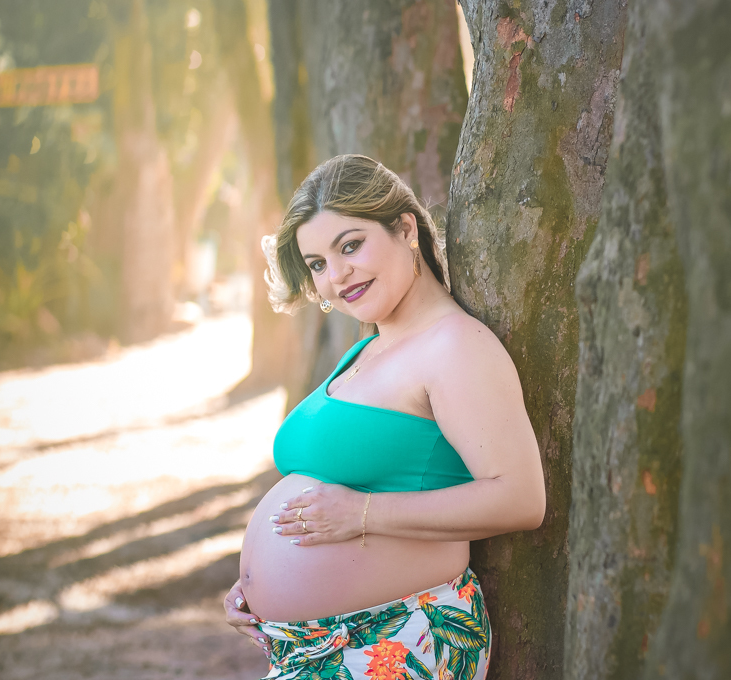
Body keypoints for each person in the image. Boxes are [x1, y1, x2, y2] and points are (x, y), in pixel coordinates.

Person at [224, 154, 546, 680]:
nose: (336, 275)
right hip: (315, 644)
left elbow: (521, 498)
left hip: (400, 633)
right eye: (318, 264)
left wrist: (363, 514)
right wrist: (257, 585)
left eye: (350, 246)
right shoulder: (369, 347)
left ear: (404, 229)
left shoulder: (456, 346)